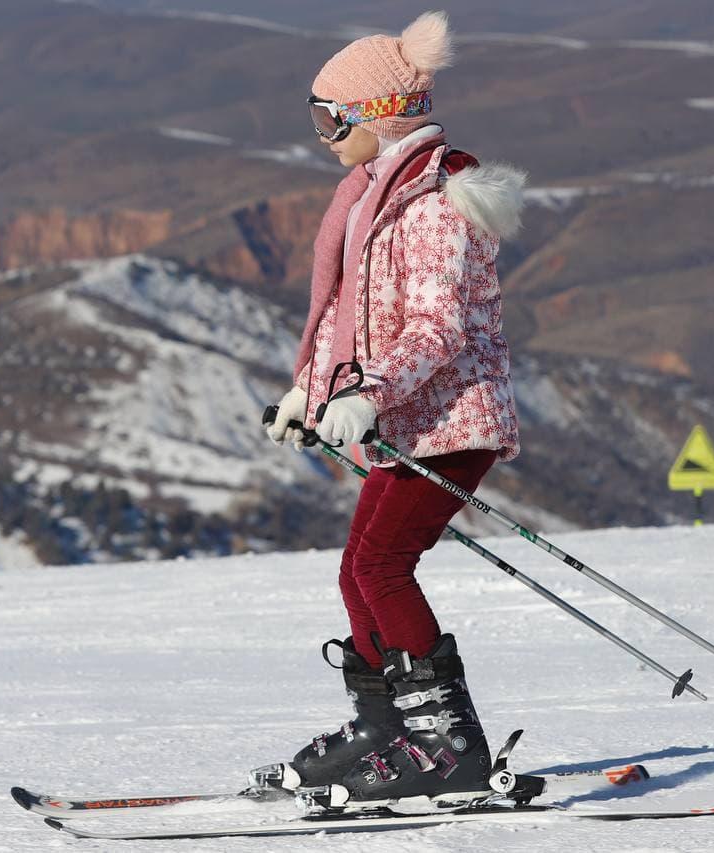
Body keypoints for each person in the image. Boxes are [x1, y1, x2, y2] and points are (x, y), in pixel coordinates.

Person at [264, 10, 527, 804]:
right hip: (412, 417)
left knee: (381, 565)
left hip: (453, 419)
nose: (319, 136)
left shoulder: (438, 200)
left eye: (326, 119)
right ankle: (390, 728)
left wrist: (367, 394)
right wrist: (307, 395)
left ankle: (449, 747)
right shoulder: (377, 196)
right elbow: (357, 313)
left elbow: (437, 328)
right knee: (358, 572)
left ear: (375, 115)